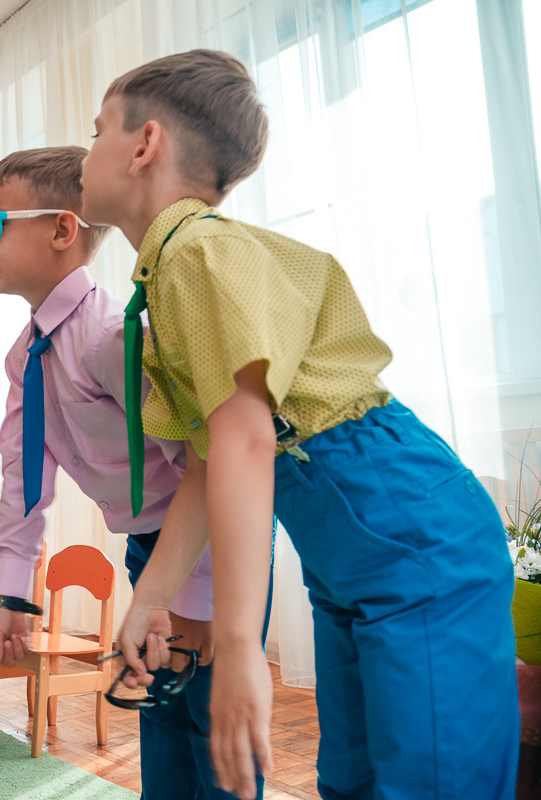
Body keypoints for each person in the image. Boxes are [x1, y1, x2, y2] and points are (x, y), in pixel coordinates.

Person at [81, 49, 519, 800]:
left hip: (412, 538)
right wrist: (152, 597)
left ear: (144, 144)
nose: (85, 151)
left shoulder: (197, 254)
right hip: (353, 553)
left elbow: (248, 440)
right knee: (353, 779)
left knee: (433, 781)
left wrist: (242, 650)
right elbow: (214, 457)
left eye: (96, 132)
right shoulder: (180, 266)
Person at [0, 145, 247, 798]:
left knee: (212, 728)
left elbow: (208, 462)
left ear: (62, 230)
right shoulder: (26, 358)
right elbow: (23, 478)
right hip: (147, 546)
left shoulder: (112, 338)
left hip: (209, 541)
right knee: (159, 713)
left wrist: (198, 595)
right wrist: (14, 590)